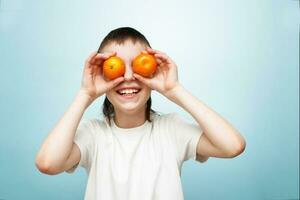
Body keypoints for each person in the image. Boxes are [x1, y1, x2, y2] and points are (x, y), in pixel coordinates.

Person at [35, 27, 246, 200]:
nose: (127, 76)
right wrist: (85, 94)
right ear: (101, 74)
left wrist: (175, 90)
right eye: (115, 67)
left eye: (136, 66)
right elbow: (47, 163)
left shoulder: (171, 130)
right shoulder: (93, 135)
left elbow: (233, 146)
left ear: (153, 70)